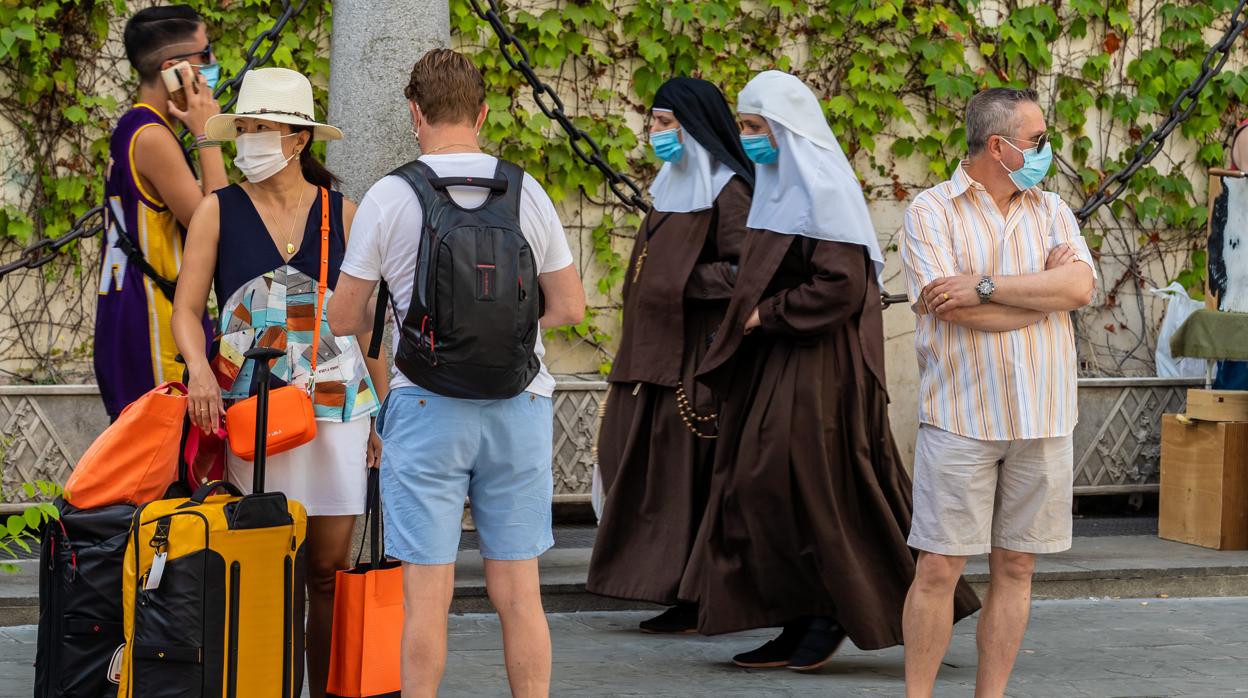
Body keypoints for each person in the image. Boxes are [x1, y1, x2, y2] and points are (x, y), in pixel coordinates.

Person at [679, 70, 980, 671]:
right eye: (743, 126)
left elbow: (840, 286)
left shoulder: (822, 191)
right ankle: (805, 614)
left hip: (821, 367)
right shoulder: (777, 186)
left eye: (755, 127)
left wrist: (768, 314)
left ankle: (829, 613)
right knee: (778, 486)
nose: (746, 138)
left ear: (786, 132)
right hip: (785, 362)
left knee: (811, 487)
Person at [326, 48, 585, 698]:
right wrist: (505, 331)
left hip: (425, 406)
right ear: (483, 111)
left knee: (427, 595)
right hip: (518, 401)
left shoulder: (391, 195)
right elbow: (571, 306)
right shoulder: (527, 191)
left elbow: (343, 318)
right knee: (519, 593)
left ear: (415, 112)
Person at [171, 67, 388, 698]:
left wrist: (380, 415)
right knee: (264, 569)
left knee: (326, 571)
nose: (247, 143)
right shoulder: (218, 211)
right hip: (255, 413)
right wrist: (199, 370)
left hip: (338, 411)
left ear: (297, 139)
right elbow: (188, 310)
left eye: (259, 129)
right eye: (242, 130)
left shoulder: (344, 213)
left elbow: (367, 328)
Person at [899, 87, 1095, 698]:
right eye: (1037, 140)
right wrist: (1042, 297)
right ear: (998, 146)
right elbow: (951, 312)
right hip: (961, 417)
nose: (1046, 149)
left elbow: (1081, 289)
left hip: (1045, 415)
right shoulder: (931, 212)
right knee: (937, 568)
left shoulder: (1053, 211)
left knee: (1017, 566)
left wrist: (984, 286)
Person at [585, 77, 754, 633]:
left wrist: (681, 279)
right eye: (654, 122)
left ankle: (699, 597)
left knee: (690, 479)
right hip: (656, 356)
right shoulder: (674, 183)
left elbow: (746, 274)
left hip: (698, 360)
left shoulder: (729, 190)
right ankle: (674, 590)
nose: (653, 133)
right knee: (652, 474)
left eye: (663, 124)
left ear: (692, 128)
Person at [96, 4, 224, 419]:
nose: (213, 65)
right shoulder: (152, 137)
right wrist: (207, 134)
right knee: (163, 473)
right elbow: (217, 222)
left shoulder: (134, 126)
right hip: (155, 327)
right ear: (174, 68)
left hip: (126, 316)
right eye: (205, 55)